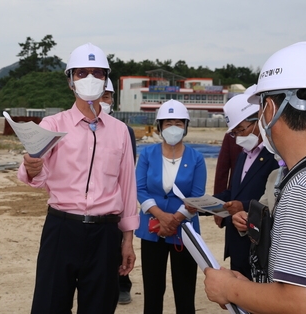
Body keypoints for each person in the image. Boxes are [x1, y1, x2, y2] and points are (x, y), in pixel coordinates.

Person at [204, 42, 306, 313]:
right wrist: (252, 289)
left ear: (270, 109)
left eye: (259, 109)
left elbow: (303, 305)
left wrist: (229, 288)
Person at [18, 43, 138, 314]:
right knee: (50, 305)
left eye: (97, 73)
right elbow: (36, 173)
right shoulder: (52, 125)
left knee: (99, 307)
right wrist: (32, 168)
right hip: (62, 228)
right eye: (82, 73)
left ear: (106, 79)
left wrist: (127, 239)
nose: (90, 79)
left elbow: (128, 188)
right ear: (70, 81)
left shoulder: (120, 132)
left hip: (105, 233)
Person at [135, 99, 206, 314]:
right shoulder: (147, 154)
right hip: (152, 229)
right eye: (168, 123)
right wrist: (160, 217)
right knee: (153, 289)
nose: (173, 127)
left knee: (185, 291)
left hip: (184, 229)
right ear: (159, 127)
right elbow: (140, 189)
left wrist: (175, 219)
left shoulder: (197, 158)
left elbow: (197, 195)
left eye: (178, 122)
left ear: (186, 126)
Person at [212, 91, 279, 280]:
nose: (238, 137)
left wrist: (244, 206)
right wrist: (204, 205)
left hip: (258, 244)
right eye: (234, 133)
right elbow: (234, 192)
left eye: (241, 130)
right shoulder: (244, 155)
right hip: (237, 243)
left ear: (258, 121)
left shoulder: (275, 157)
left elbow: (274, 198)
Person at [101, 78, 136, 305]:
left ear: (113, 100)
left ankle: (123, 284)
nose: (103, 101)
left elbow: (128, 172)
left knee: (120, 247)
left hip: (115, 202)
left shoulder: (124, 131)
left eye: (107, 97)